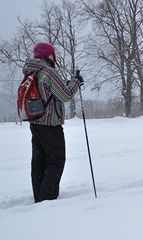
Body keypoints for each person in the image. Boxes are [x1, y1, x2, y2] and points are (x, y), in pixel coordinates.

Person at [22, 42, 83, 203]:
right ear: (48, 55)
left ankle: (39, 196)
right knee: (56, 159)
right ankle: (47, 199)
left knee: (39, 160)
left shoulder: (30, 72)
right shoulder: (48, 72)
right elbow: (65, 95)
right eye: (53, 53)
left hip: (35, 122)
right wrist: (76, 82)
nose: (54, 56)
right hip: (50, 124)